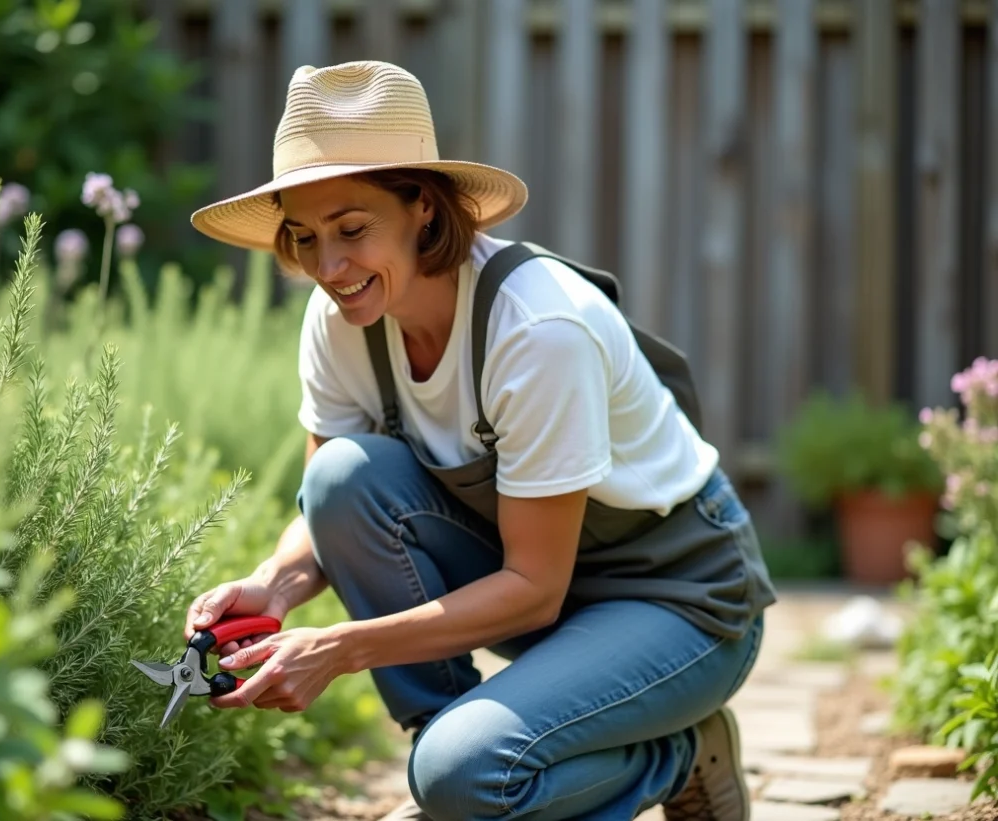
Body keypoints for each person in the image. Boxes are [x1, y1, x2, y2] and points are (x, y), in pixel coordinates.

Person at [185, 60, 777, 821]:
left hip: (679, 600)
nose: (327, 268)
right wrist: (276, 584)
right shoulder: (342, 322)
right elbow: (332, 506)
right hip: (546, 592)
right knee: (339, 478)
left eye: (352, 229)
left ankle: (678, 752)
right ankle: (455, 763)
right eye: (303, 237)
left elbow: (534, 589)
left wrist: (340, 647)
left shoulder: (536, 329)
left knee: (467, 777)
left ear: (424, 210)